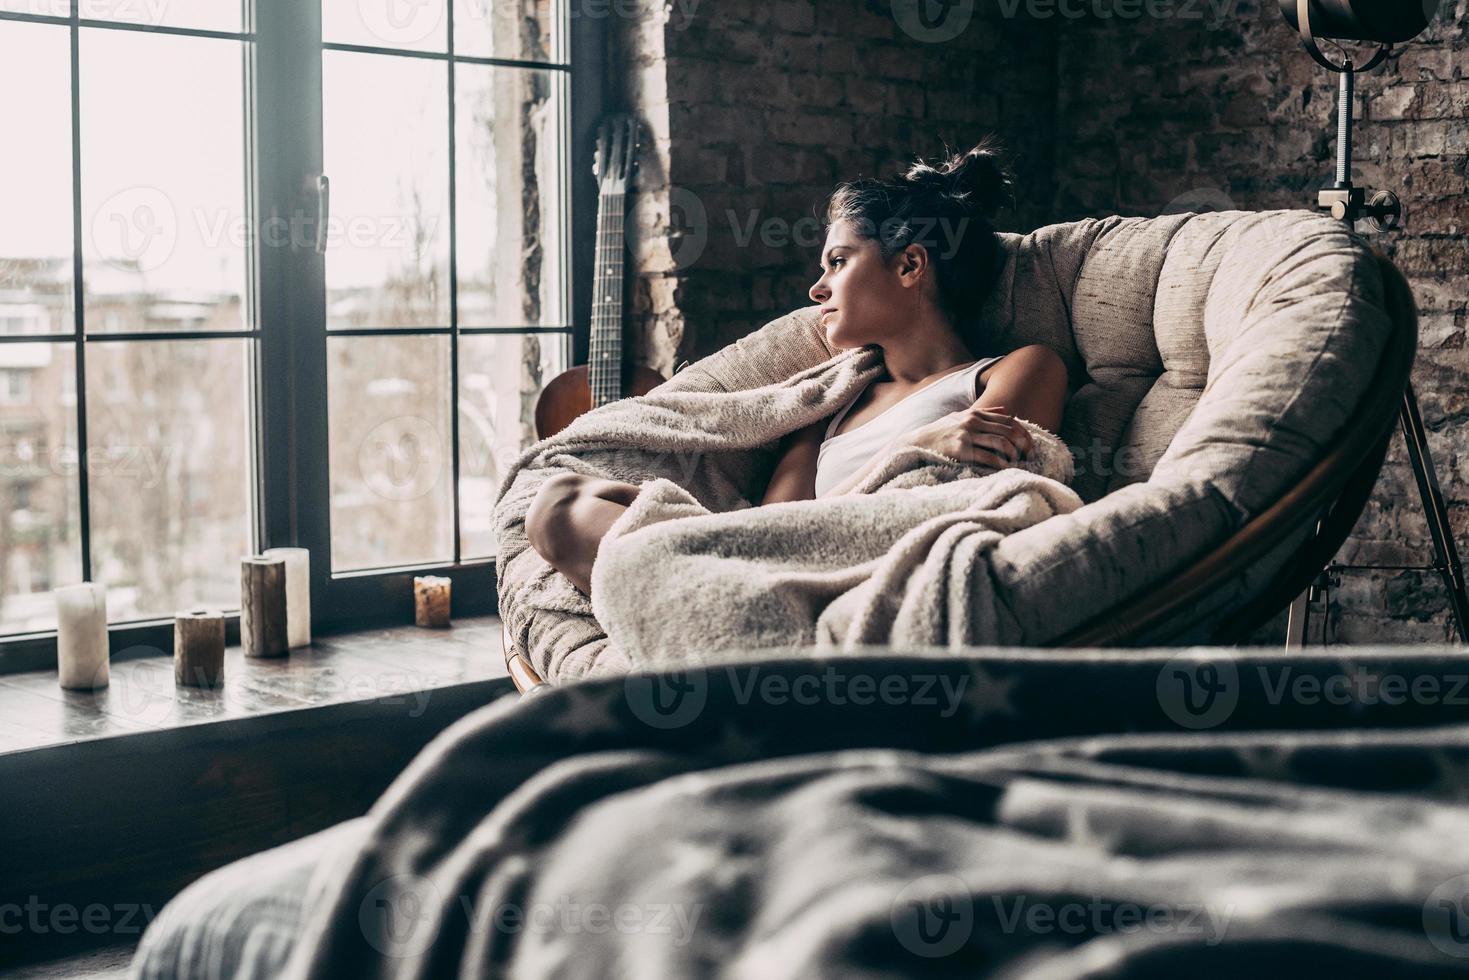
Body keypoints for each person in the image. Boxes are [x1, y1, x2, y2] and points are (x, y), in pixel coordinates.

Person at [526, 137, 1069, 597]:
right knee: (558, 503)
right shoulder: (832, 401)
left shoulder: (1017, 370)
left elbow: (974, 495)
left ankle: (697, 619)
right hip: (773, 573)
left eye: (837, 262)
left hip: (868, 580)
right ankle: (710, 618)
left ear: (909, 265)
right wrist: (917, 445)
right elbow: (774, 533)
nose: (817, 289)